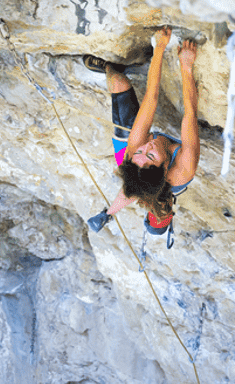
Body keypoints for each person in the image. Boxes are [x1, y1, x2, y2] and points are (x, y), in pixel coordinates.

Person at [84, 27, 199, 242]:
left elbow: (151, 97)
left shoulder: (134, 153)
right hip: (143, 175)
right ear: (165, 168)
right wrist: (186, 66)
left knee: (118, 82)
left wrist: (159, 48)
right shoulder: (183, 168)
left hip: (127, 158)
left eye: (142, 152)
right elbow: (190, 113)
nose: (149, 145)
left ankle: (109, 68)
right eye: (151, 155)